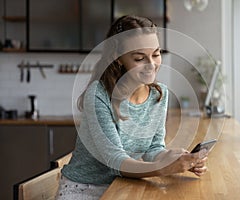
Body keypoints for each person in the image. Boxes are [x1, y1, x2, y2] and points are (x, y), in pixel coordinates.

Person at [55, 15, 208, 200]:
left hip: (122, 187)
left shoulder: (159, 96)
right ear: (118, 58)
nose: (151, 64)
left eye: (156, 54)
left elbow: (152, 148)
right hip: (84, 190)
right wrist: (165, 168)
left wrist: (174, 158)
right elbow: (115, 161)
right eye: (139, 58)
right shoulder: (99, 94)